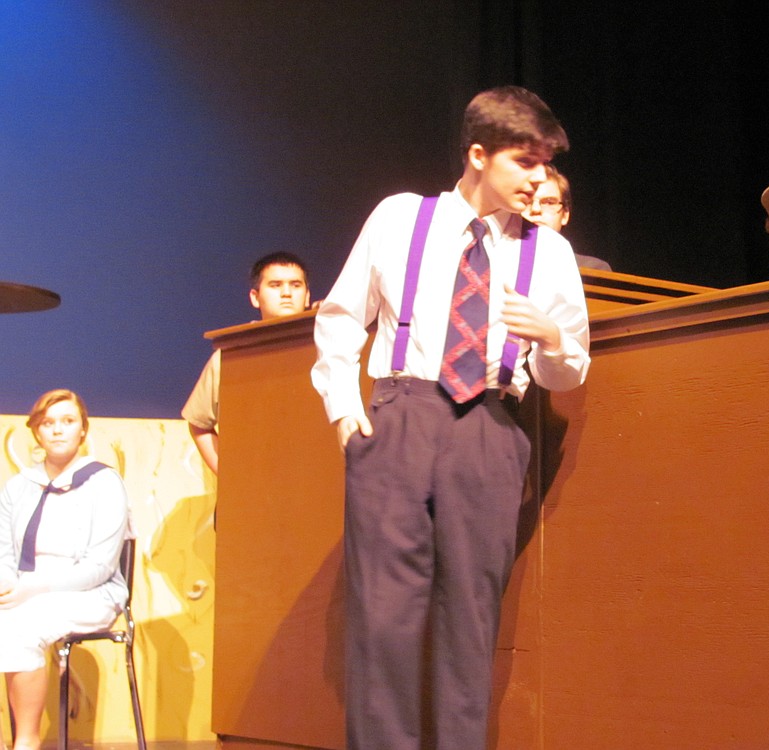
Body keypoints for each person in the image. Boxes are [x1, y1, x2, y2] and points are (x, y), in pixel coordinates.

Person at [311, 86, 590, 749]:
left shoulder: (546, 251)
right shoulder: (399, 219)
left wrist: (550, 337)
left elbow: (570, 369)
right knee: (383, 615)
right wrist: (346, 415)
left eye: (546, 165)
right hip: (401, 417)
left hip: (490, 427)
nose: (538, 179)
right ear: (478, 154)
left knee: (470, 616)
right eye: (525, 162)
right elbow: (342, 318)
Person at [0, 390, 129, 750]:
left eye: (68, 422)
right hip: (27, 590)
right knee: (11, 617)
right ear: (37, 432)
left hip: (91, 593)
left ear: (83, 431)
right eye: (48, 423)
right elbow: (5, 554)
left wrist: (33, 588)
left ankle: (26, 742)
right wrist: (8, 583)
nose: (57, 430)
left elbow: (100, 566)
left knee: (22, 625)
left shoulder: (104, 483)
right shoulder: (18, 487)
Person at [182, 251, 311, 474]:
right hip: (253, 487)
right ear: (255, 296)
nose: (287, 293)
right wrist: (229, 477)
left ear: (307, 295)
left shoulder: (329, 348)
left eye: (296, 285)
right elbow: (199, 423)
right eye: (276, 285)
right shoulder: (232, 355)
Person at [522, 163, 613, 270]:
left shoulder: (594, 269)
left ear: (565, 215)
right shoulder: (500, 261)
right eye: (527, 202)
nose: (536, 209)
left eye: (549, 202)